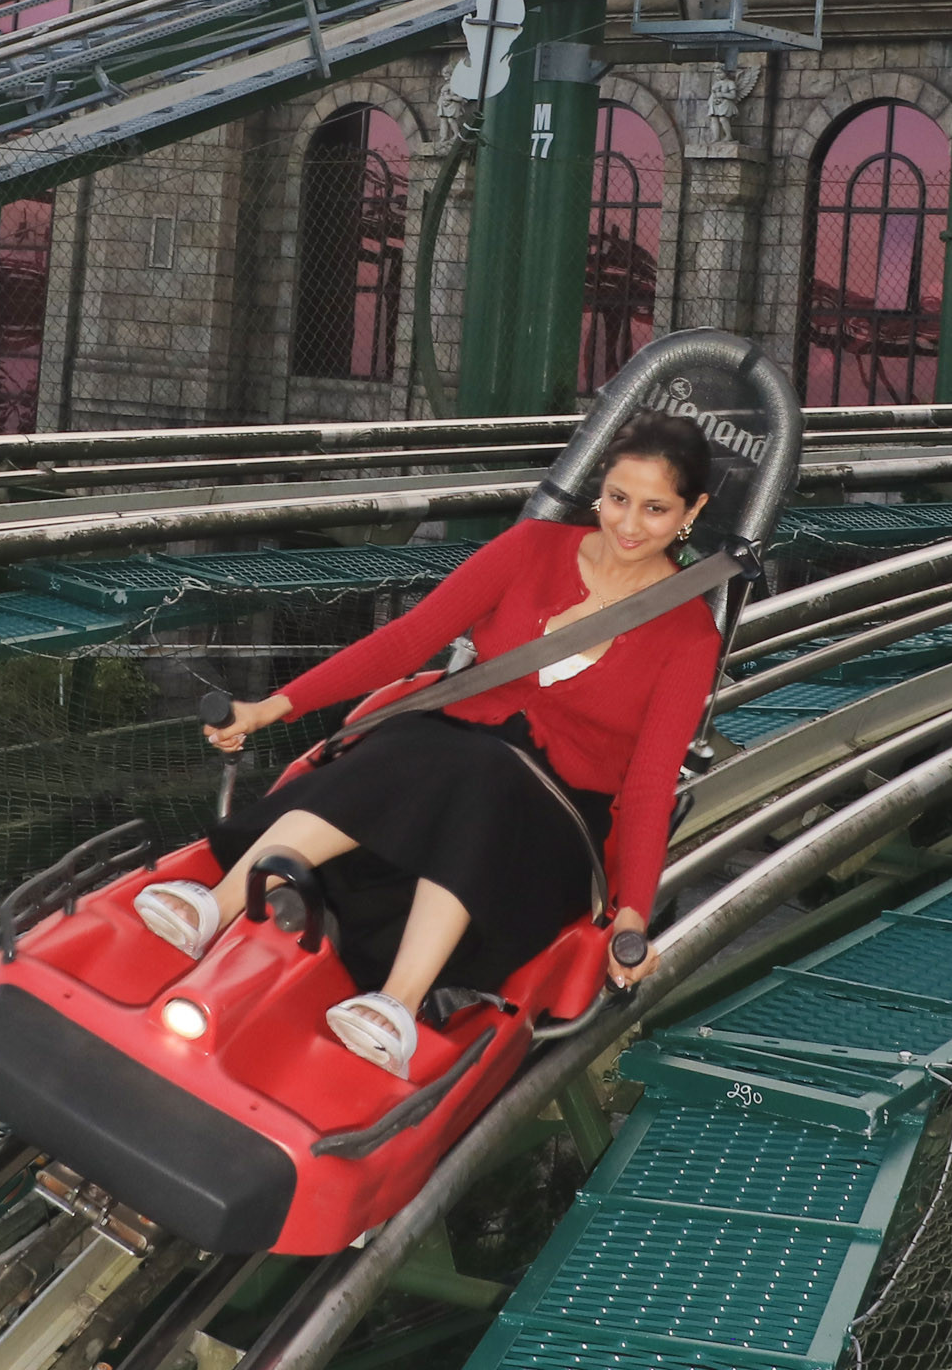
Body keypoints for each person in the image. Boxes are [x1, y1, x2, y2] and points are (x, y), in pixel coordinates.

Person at [136, 414, 721, 1080]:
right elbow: (408, 641)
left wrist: (634, 915)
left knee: (483, 772)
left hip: (551, 813)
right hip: (448, 749)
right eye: (617, 498)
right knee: (413, 739)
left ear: (692, 511)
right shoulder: (534, 548)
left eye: (655, 509)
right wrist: (272, 707)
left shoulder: (688, 637)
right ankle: (216, 903)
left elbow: (649, 785)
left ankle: (397, 1002)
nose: (628, 524)